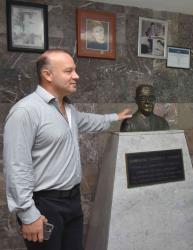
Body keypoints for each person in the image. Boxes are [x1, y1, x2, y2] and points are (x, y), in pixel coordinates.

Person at [3, 49, 131, 250]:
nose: (76, 76)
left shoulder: (68, 109)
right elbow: (16, 166)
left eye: (75, 70)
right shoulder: (25, 111)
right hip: (44, 205)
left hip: (72, 201)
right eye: (69, 71)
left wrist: (115, 118)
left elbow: (88, 121)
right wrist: (28, 215)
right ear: (47, 75)